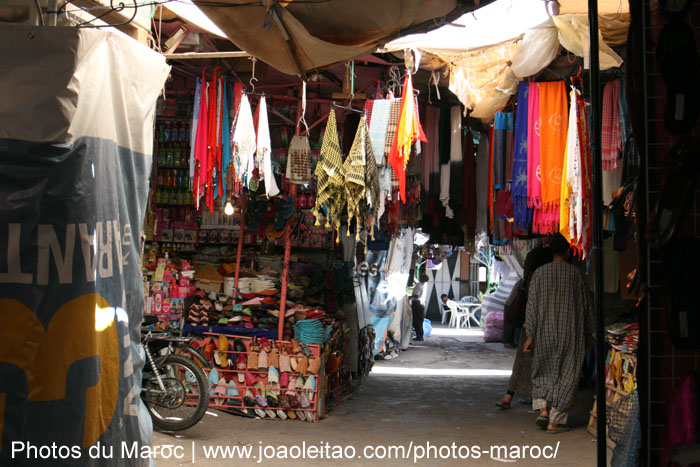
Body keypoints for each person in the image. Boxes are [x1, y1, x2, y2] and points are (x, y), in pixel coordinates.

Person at [523, 234, 594, 433]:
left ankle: (543, 410)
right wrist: (589, 333)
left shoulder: (539, 273)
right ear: (568, 252)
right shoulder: (577, 275)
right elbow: (587, 306)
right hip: (570, 332)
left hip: (543, 330)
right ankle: (555, 420)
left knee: (542, 369)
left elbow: (531, 307)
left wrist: (530, 334)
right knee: (568, 374)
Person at [496, 239, 553, 410]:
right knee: (541, 365)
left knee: (523, 361)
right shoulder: (543, 279)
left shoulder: (528, 280)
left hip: (530, 325)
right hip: (541, 325)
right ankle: (542, 408)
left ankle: (509, 396)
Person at [410, 274, 429, 341]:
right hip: (422, 304)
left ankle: (419, 336)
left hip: (417, 304)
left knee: (416, 320)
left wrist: (409, 298)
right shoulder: (424, 285)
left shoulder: (418, 285)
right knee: (420, 320)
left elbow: (416, 296)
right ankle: (420, 335)